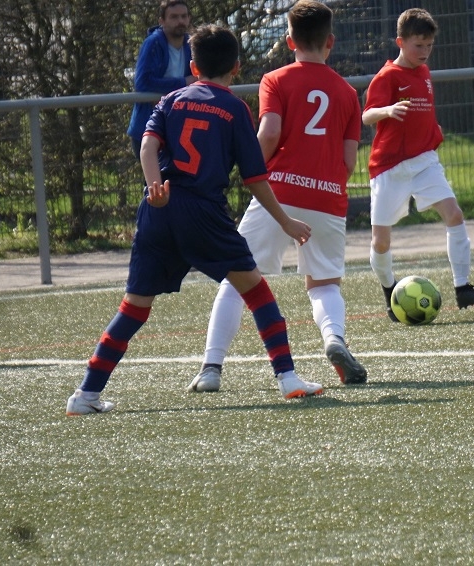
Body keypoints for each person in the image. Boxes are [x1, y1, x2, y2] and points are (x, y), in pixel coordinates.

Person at [66, 24, 322, 416]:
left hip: (159, 208)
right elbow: (254, 177)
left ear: (193, 66)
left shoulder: (170, 99)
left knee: (134, 306)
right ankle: (288, 377)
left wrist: (154, 187)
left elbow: (148, 146)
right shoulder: (234, 108)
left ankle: (85, 394)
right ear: (236, 67)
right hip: (202, 211)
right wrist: (285, 221)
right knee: (256, 292)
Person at [187, 0, 368, 392]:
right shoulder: (346, 92)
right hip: (328, 195)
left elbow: (269, 132)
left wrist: (252, 169)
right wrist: (326, 183)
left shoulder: (276, 79)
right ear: (330, 42)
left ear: (289, 41)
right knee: (324, 283)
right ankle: (334, 339)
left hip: (279, 192)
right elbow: (349, 159)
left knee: (236, 278)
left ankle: (211, 368)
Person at [361, 7, 474, 322]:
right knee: (381, 240)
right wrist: (387, 110)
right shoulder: (387, 76)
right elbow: (367, 115)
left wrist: (432, 131)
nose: (424, 51)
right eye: (418, 45)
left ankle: (463, 288)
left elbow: (422, 113)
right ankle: (390, 291)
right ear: (400, 42)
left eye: (429, 45)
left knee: (454, 214)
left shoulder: (424, 71)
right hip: (390, 167)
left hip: (424, 162)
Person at [126, 0, 195, 158]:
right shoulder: (153, 44)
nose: (180, 21)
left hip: (178, 126)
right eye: (174, 17)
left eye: (184, 16)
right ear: (161, 21)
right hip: (148, 128)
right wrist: (184, 83)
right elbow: (143, 83)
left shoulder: (191, 45)